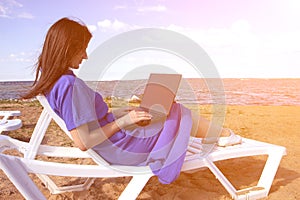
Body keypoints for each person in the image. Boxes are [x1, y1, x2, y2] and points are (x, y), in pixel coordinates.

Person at [23, 17, 241, 184]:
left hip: (113, 145)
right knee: (177, 111)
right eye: (82, 49)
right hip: (123, 149)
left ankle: (217, 134)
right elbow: (83, 141)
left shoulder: (55, 83)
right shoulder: (70, 85)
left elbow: (91, 121)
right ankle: (221, 134)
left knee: (163, 108)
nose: (85, 56)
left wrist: (128, 113)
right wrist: (124, 122)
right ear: (67, 48)